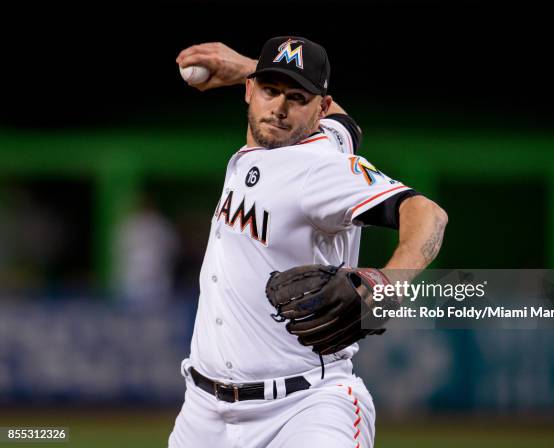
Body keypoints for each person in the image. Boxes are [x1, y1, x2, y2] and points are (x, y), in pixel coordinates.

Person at [169, 36, 448, 448]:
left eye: (296, 97)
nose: (279, 108)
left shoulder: (321, 168)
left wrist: (389, 283)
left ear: (318, 108)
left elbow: (428, 215)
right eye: (269, 90)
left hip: (304, 408)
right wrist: (248, 65)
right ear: (249, 90)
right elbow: (347, 124)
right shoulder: (326, 137)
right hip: (203, 414)